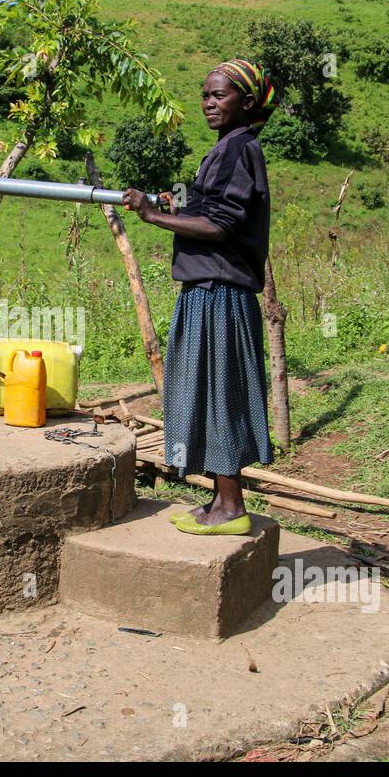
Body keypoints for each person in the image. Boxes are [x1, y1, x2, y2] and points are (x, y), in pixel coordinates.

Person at [121, 58, 277, 535]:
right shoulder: (228, 147)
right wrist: (176, 206)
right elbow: (211, 211)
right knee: (209, 393)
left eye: (219, 95)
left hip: (219, 293)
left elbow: (221, 224)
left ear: (246, 103)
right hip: (208, 288)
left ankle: (231, 507)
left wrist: (150, 216)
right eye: (205, 95)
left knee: (220, 395)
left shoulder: (239, 149)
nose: (208, 102)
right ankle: (220, 500)